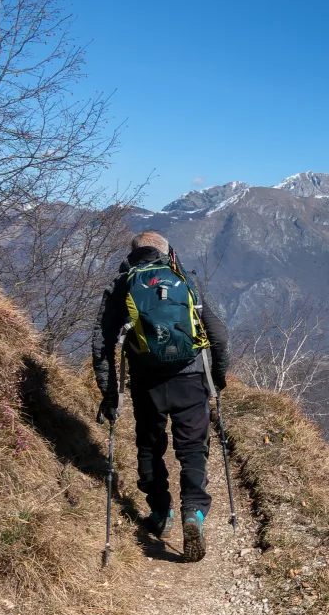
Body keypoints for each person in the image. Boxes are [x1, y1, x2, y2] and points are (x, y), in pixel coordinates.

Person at [93, 231, 230, 561]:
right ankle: (193, 512)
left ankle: (160, 512)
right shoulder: (184, 280)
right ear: (169, 253)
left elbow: (101, 345)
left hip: (146, 381)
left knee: (150, 445)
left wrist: (111, 394)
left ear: (133, 255)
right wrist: (219, 378)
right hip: (192, 376)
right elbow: (219, 335)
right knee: (193, 446)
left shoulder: (122, 285)